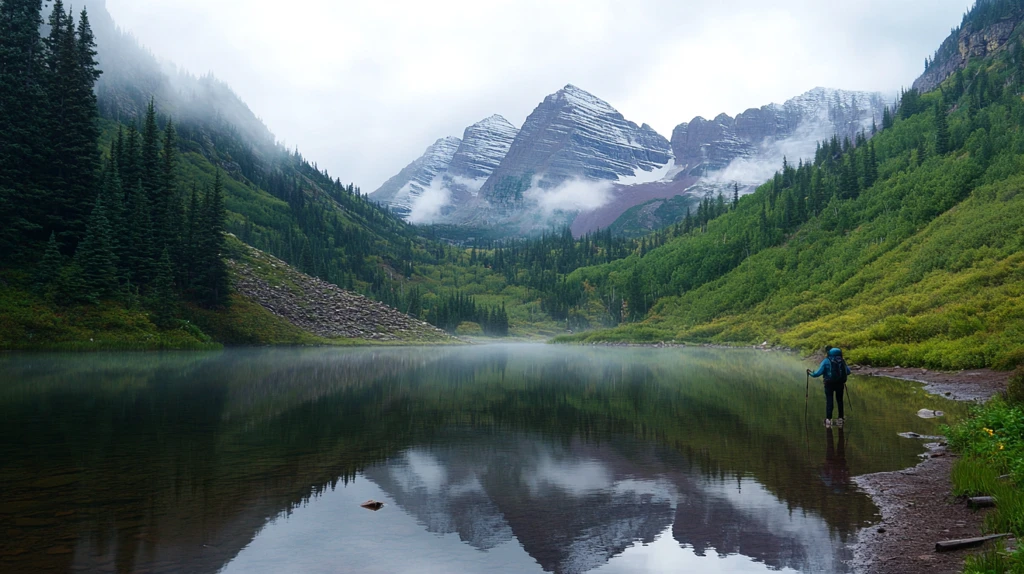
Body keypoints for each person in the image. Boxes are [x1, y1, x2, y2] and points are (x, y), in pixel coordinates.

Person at [807, 346, 851, 427]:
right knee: (840, 401)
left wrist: (810, 373)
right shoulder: (842, 361)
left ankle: (828, 420)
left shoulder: (826, 361)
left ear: (829, 353)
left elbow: (817, 374)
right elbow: (848, 372)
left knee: (829, 401)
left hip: (829, 384)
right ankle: (840, 419)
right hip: (840, 384)